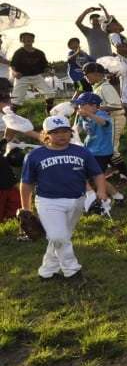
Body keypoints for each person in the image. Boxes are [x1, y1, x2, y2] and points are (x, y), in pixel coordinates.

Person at [19, 116, 109, 282]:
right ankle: (73, 272)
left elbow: (97, 173)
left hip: (77, 199)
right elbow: (26, 183)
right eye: (56, 132)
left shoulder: (81, 152)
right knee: (58, 237)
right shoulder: (35, 155)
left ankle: (47, 271)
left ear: (70, 133)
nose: (61, 135)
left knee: (61, 237)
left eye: (65, 131)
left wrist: (101, 190)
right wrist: (26, 208)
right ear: (46, 134)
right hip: (49, 201)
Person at [10, 32, 55, 113]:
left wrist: (50, 71)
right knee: (16, 99)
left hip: (36, 77)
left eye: (30, 38)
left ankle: (49, 112)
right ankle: (11, 117)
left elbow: (45, 67)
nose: (28, 39)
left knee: (50, 93)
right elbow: (13, 66)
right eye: (25, 38)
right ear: (21, 40)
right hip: (22, 77)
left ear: (33, 40)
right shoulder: (19, 53)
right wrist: (15, 73)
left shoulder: (39, 53)